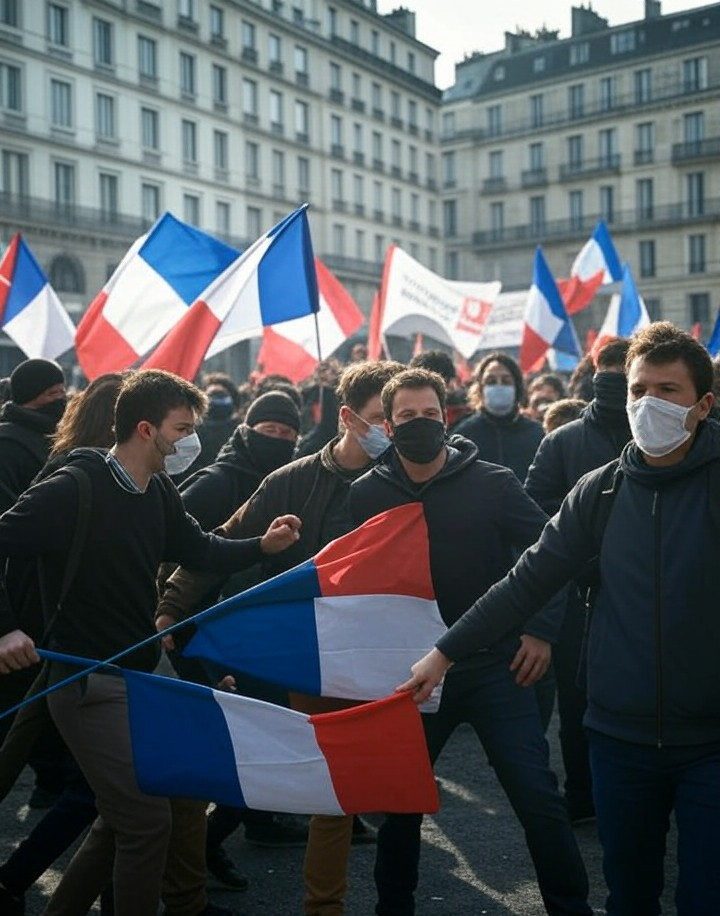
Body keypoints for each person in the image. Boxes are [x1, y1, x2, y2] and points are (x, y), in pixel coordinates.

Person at [403, 322, 720, 916]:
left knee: (704, 895)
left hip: (711, 740)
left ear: (703, 403)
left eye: (668, 391)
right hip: (618, 738)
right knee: (628, 895)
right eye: (638, 389)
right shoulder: (597, 493)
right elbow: (526, 581)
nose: (648, 404)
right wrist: (443, 653)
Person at [0, 368, 301, 916]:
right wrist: (5, 628)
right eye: (182, 428)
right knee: (144, 821)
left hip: (140, 675)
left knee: (123, 818)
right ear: (145, 429)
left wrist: (265, 543)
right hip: (85, 681)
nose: (190, 442)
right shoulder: (73, 486)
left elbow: (200, 549)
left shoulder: (157, 487)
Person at [157, 360, 405, 916]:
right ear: (347, 418)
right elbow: (224, 541)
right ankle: (180, 876)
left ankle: (323, 905)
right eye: (379, 420)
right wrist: (172, 606)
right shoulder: (290, 481)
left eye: (399, 421)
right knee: (244, 765)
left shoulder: (412, 483)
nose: (393, 432)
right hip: (280, 653)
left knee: (334, 789)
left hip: (360, 660)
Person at [349, 368, 591, 916]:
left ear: (447, 417)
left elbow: (553, 557)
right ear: (387, 426)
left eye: (429, 414)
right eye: (406, 417)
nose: (419, 424)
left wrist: (540, 629)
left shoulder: (494, 482)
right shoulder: (364, 495)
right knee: (399, 805)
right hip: (411, 678)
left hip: (495, 668)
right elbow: (351, 584)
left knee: (539, 800)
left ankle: (571, 907)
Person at [525, 340, 631, 824]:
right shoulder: (562, 440)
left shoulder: (666, 432)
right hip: (576, 596)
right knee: (576, 701)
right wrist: (580, 552)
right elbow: (535, 513)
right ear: (591, 373)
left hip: (645, 592)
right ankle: (583, 794)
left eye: (622, 370)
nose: (612, 378)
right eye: (605, 369)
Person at [453, 352, 543, 482]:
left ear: (516, 387)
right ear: (480, 388)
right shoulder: (464, 435)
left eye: (506, 381)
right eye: (491, 381)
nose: (499, 385)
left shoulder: (537, 434)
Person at [0, 358, 67, 513]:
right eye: (52, 393)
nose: (60, 399)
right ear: (29, 397)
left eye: (62, 392)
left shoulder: (63, 437)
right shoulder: (6, 442)